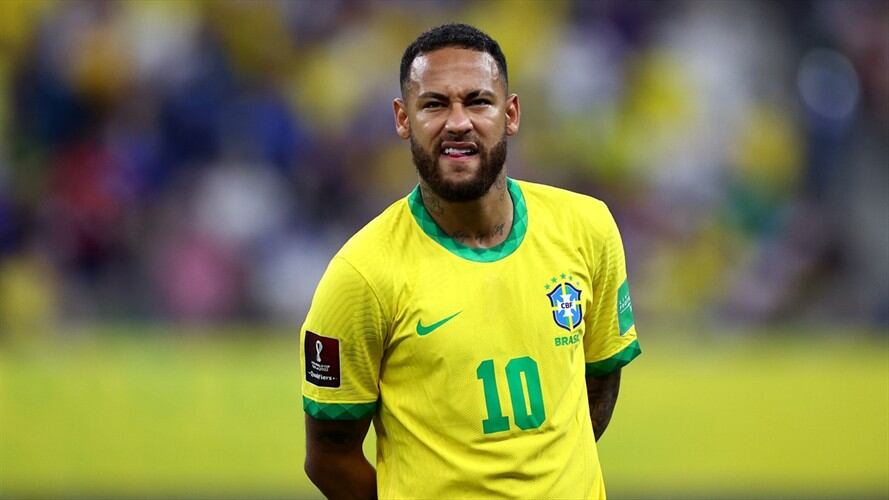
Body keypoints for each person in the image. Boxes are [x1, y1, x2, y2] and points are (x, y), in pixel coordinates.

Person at [300, 23, 640, 499]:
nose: (457, 122)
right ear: (403, 119)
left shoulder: (587, 228)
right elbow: (329, 458)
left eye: (478, 101)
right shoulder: (361, 275)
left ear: (511, 113)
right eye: (435, 104)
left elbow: (600, 380)